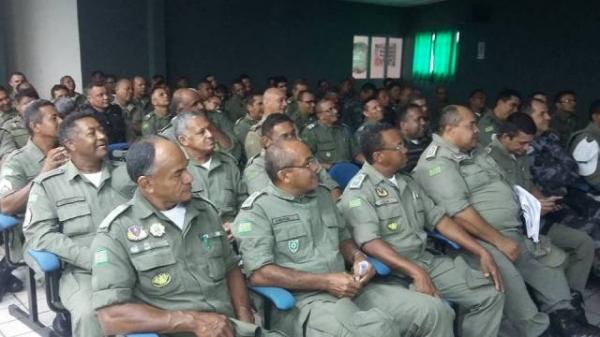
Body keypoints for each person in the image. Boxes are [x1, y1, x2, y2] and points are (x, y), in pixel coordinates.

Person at [233, 138, 454, 337]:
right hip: (306, 302)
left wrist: (358, 258)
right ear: (285, 175)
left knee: (434, 311)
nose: (317, 167)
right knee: (377, 330)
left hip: (351, 288)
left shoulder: (322, 196)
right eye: (308, 163)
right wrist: (326, 281)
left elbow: (343, 238)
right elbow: (259, 274)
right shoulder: (257, 211)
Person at [413, 105, 600, 337]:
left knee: (548, 271)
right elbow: (459, 213)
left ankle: (567, 321)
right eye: (471, 125)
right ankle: (537, 330)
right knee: (512, 284)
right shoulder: (436, 164)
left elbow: (505, 184)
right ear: (450, 129)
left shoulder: (477, 151)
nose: (476, 130)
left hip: (511, 231)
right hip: (478, 239)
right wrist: (499, 241)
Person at [90, 136, 286, 337]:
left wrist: (244, 316)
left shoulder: (205, 211)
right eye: (178, 174)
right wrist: (192, 322)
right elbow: (111, 316)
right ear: (147, 184)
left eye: (186, 168)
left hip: (230, 328)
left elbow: (230, 267)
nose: (189, 178)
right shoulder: (118, 231)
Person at [340, 123, 505, 337]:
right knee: (438, 314)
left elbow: (439, 220)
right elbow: (370, 242)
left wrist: (480, 251)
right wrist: (415, 271)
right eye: (398, 146)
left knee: (490, 295)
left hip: (427, 261)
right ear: (379, 156)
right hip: (394, 274)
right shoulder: (359, 192)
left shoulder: (406, 181)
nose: (405, 150)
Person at [23, 111, 135, 337]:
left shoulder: (128, 175)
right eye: (92, 133)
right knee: (89, 313)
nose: (102, 136)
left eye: (101, 130)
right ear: (70, 144)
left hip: (137, 261)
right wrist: (93, 260)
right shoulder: (49, 184)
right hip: (84, 271)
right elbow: (41, 235)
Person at [487, 112, 595, 304]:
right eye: (522, 143)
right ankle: (560, 307)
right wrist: (532, 206)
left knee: (584, 244)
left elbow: (529, 184)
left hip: (534, 221)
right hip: (513, 229)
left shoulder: (518, 154)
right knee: (558, 260)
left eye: (529, 143)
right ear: (505, 137)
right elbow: (496, 206)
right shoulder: (487, 161)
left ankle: (572, 303)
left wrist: (541, 200)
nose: (527, 148)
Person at [524, 99, 600, 278]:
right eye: (541, 114)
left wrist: (562, 177)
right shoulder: (523, 147)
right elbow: (547, 179)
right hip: (547, 207)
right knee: (590, 231)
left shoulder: (549, 138)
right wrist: (562, 176)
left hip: (566, 196)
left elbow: (572, 169)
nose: (548, 117)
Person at [175, 111, 246, 237]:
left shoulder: (228, 163)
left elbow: (244, 204)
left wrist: (236, 226)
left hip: (232, 239)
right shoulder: (176, 170)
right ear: (184, 140)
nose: (210, 134)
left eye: (209, 129)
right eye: (201, 132)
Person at [243, 113, 341, 200]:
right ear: (266, 142)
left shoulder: (305, 158)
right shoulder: (255, 169)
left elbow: (331, 185)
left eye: (293, 134)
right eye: (285, 136)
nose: (292, 140)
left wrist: (333, 208)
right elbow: (269, 202)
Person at [301, 99, 364, 169]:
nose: (335, 111)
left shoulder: (344, 129)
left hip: (347, 171)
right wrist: (330, 167)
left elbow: (356, 154)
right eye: (330, 110)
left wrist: (369, 164)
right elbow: (306, 160)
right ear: (320, 116)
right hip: (326, 174)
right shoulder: (311, 132)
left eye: (335, 108)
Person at [244, 88, 287, 159]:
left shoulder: (290, 126)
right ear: (266, 103)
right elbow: (258, 166)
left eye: (285, 100)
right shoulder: (256, 134)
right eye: (280, 100)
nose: (285, 104)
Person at [396, 104, 429, 173]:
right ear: (403, 125)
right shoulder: (398, 150)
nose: (423, 123)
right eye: (418, 119)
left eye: (423, 119)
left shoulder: (429, 141)